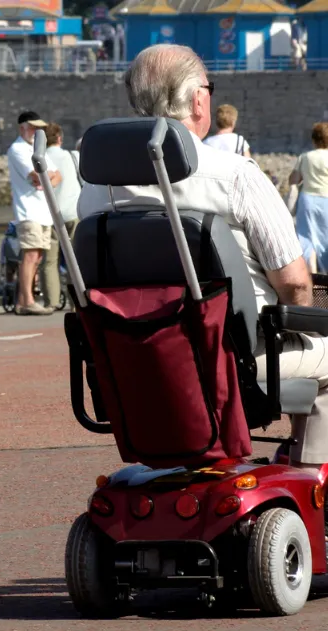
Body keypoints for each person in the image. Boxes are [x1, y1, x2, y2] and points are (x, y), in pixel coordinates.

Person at [78, 45, 325, 475]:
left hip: (134, 355)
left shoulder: (96, 192)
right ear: (197, 99)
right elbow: (295, 285)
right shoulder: (235, 176)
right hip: (238, 356)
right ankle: (310, 488)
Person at [7, 111, 61, 315]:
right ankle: (27, 300)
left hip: (42, 210)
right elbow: (37, 175)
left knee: (37, 256)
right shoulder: (18, 149)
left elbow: (57, 176)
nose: (37, 131)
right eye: (33, 127)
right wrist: (45, 178)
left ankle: (23, 301)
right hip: (28, 210)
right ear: (22, 127)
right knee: (30, 256)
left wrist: (45, 178)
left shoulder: (37, 149)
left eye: (39, 128)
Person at [43, 122, 81, 309]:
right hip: (72, 213)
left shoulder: (40, 159)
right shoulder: (72, 156)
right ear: (59, 138)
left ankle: (52, 302)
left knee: (50, 261)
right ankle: (77, 302)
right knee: (75, 260)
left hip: (50, 216)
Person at [288, 122, 328, 273]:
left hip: (308, 200)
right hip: (326, 199)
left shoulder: (305, 157)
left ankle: (312, 271)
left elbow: (293, 179)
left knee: (306, 236)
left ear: (314, 139)